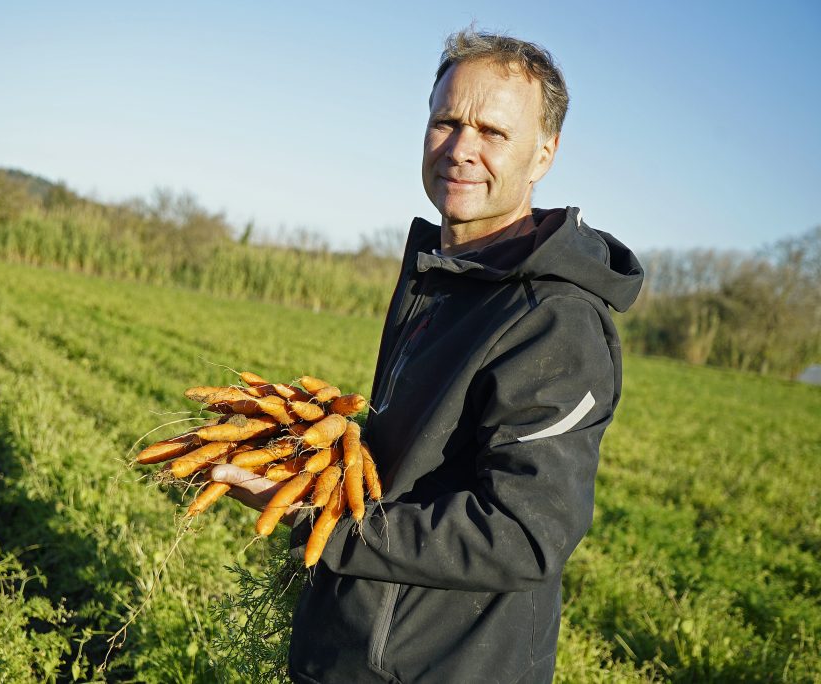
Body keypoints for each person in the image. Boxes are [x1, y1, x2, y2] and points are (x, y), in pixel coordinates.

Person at [212, 29, 644, 683]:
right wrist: (320, 451)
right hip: (357, 655)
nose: (462, 148)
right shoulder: (446, 276)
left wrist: (314, 514)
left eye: (493, 132)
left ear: (543, 154)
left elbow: (522, 535)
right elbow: (421, 466)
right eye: (447, 121)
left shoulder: (555, 322)